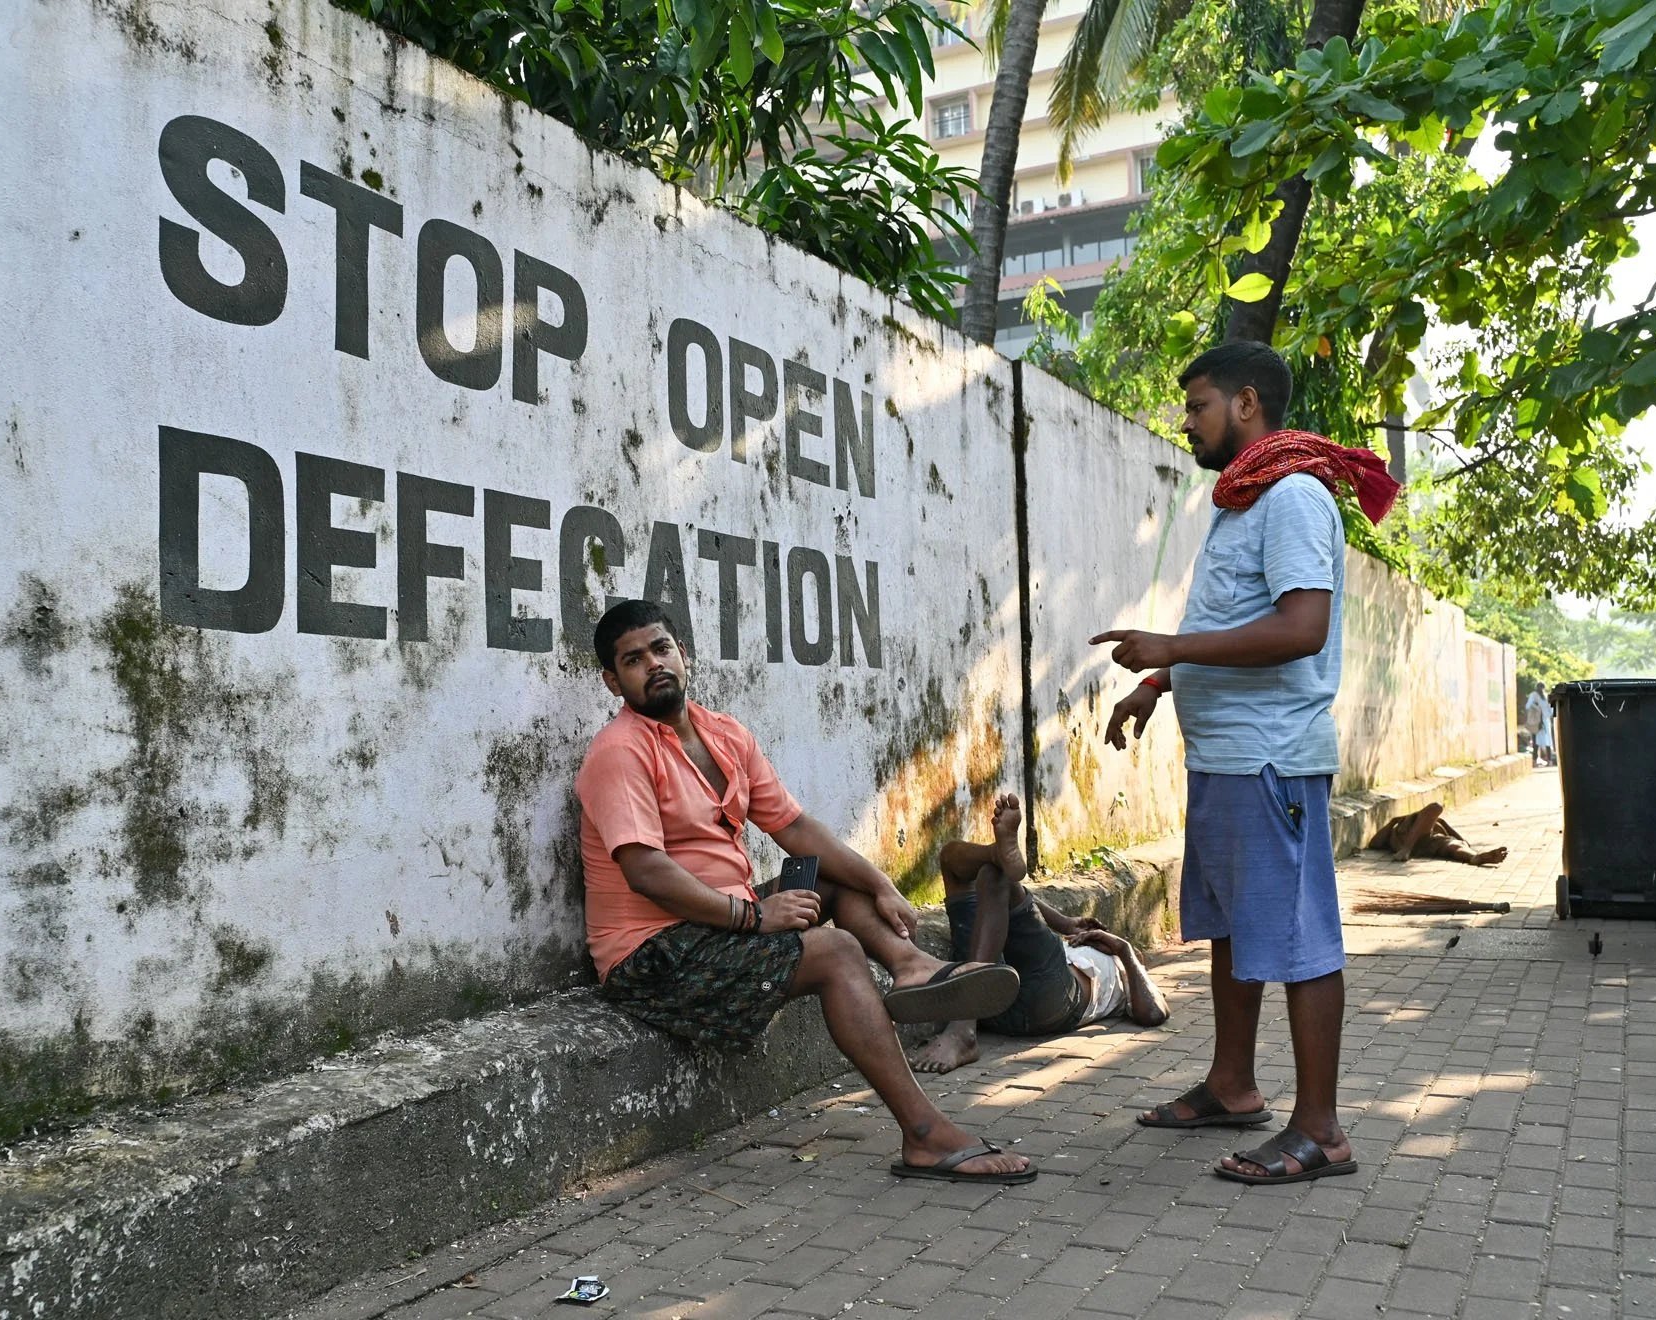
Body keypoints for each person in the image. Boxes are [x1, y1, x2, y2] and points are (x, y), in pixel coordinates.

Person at [575, 599, 1035, 1185]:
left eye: (661, 648)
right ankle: (925, 1134)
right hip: (652, 954)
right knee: (836, 950)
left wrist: (881, 883)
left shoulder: (725, 734)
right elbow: (647, 872)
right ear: (613, 681)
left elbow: (793, 828)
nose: (654, 664)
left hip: (714, 925)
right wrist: (752, 916)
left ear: (683, 654)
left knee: (829, 877)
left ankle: (910, 966)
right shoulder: (620, 751)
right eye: (634, 660)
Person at [1090, 341, 1399, 1186]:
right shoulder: (1244, 499)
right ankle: (1232, 1086)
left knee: (1298, 937)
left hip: (1271, 761)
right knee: (1232, 927)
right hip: (1227, 759)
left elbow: (1301, 628)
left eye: (1198, 406)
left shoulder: (1294, 496)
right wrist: (1157, 681)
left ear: (1247, 402)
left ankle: (1322, 1131)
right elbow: (1232, 618)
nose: (1187, 422)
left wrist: (1172, 647)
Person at [908, 793, 1170, 1075]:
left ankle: (963, 1027)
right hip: (995, 997)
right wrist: (1064, 923)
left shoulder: (1125, 971)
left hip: (1053, 999)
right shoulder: (1076, 944)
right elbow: (1017, 903)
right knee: (954, 860)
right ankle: (995, 854)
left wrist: (1124, 950)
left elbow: (1154, 1014)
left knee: (1000, 877)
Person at [1365, 802, 1507, 866]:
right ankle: (1407, 849)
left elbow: (1464, 843)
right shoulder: (1400, 825)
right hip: (1407, 843)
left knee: (1455, 847)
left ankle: (1474, 857)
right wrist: (1394, 822)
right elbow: (1374, 844)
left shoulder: (1437, 828)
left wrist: (1443, 823)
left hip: (1432, 843)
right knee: (1436, 807)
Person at [1524, 682, 1555, 767]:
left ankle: (1535, 761)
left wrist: (1536, 708)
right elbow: (1551, 711)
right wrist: (1544, 713)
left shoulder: (1534, 695)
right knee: (1547, 742)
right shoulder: (1546, 696)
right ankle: (1549, 761)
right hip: (1545, 721)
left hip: (1538, 721)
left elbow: (1527, 706)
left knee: (1536, 742)